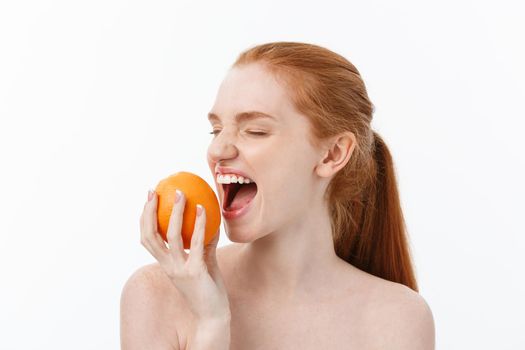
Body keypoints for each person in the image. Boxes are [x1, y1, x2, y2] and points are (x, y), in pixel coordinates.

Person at [121, 41, 435, 349]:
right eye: (216, 130)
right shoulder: (157, 295)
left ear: (332, 154)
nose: (217, 150)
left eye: (255, 130)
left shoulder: (397, 318)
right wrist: (211, 325)